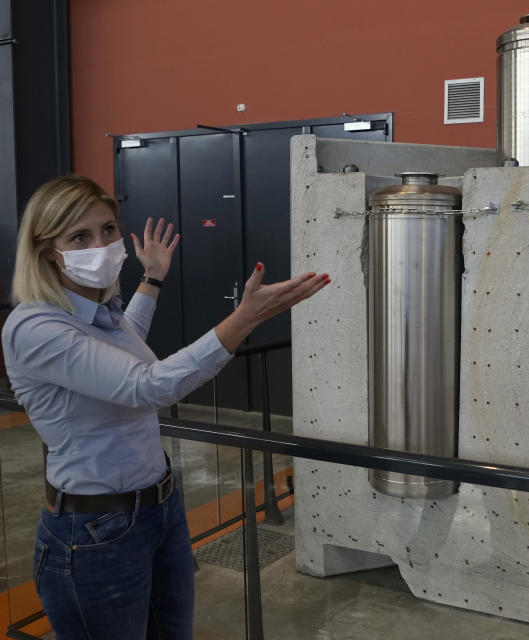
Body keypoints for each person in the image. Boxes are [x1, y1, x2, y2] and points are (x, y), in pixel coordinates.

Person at [1, 174, 330, 639]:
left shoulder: (102, 312)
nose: (102, 244)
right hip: (95, 529)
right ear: (45, 251)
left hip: (159, 508)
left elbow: (123, 345)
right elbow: (146, 385)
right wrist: (243, 319)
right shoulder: (35, 326)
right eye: (80, 236)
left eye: (109, 229)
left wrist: (152, 277)